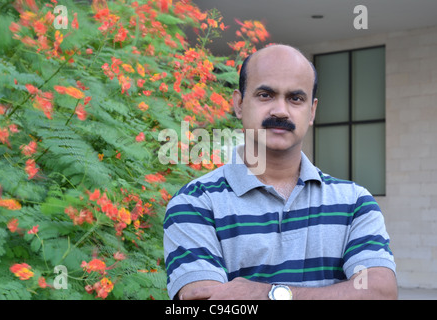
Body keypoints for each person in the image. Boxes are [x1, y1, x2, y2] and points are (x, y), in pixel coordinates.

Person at [163, 44, 397, 300]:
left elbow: (379, 293)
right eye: (265, 95)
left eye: (296, 98)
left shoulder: (354, 204)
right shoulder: (194, 204)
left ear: (312, 111)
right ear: (239, 104)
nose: (281, 111)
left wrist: (268, 293)